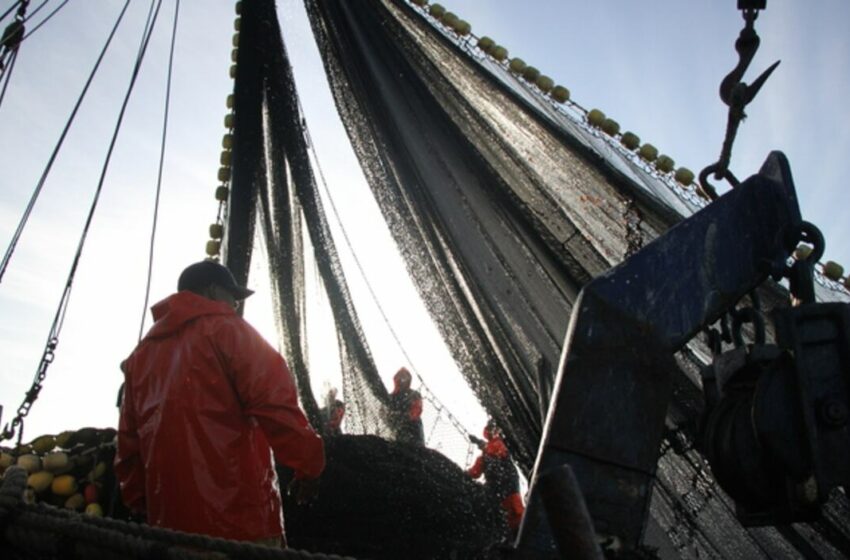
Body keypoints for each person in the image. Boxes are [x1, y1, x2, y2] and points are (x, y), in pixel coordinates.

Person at [115, 260, 324, 547]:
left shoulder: (139, 358)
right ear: (212, 291)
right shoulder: (229, 331)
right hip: (242, 527)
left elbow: (128, 446)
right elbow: (277, 404)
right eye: (233, 297)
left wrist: (141, 501)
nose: (236, 306)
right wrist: (309, 465)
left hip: (169, 531)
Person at [468, 419, 525, 534]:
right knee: (513, 518)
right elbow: (475, 472)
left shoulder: (494, 449)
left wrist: (480, 443)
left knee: (513, 517)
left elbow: (474, 473)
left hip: (505, 495)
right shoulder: (492, 451)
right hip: (505, 496)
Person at [387, 367, 424, 445]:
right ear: (396, 379)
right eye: (400, 377)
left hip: (414, 428)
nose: (402, 380)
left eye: (404, 378)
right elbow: (384, 412)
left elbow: (417, 410)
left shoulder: (414, 394)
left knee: (416, 448)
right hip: (398, 429)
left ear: (409, 380)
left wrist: (405, 416)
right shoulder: (391, 397)